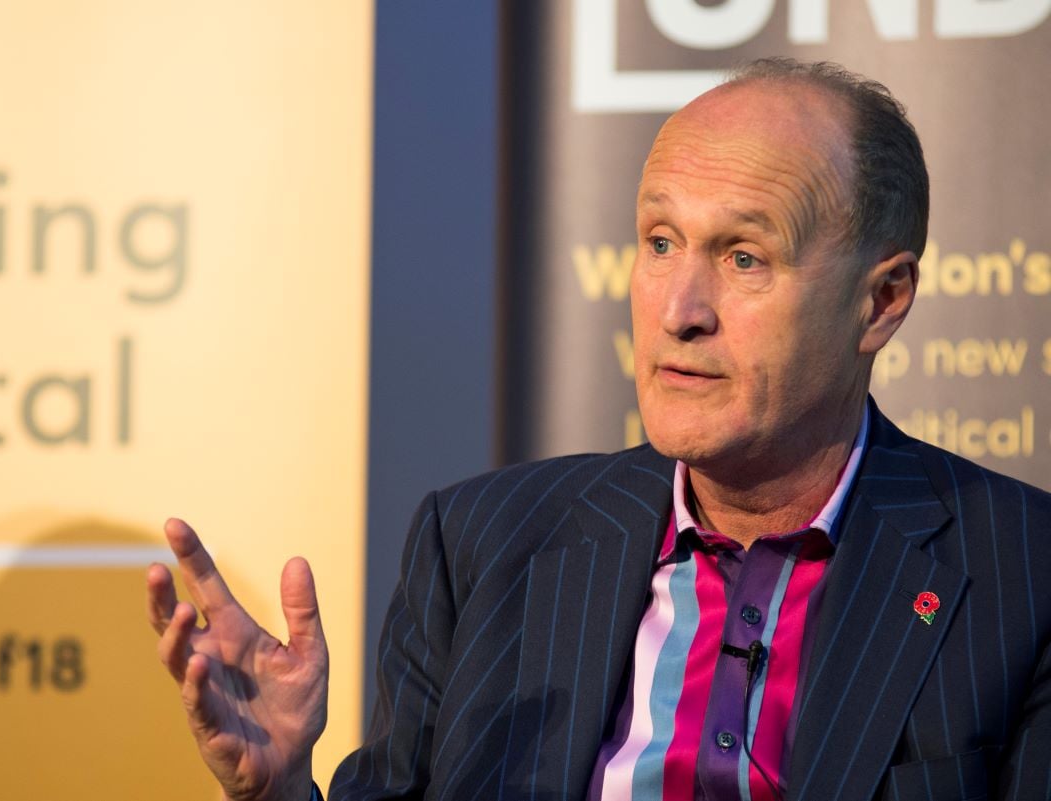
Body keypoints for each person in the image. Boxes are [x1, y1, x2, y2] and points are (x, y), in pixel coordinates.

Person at [146, 58, 1051, 801]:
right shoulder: (480, 548)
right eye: (659, 242)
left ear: (881, 301)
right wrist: (282, 790)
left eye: (744, 257)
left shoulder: (1022, 576)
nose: (680, 310)